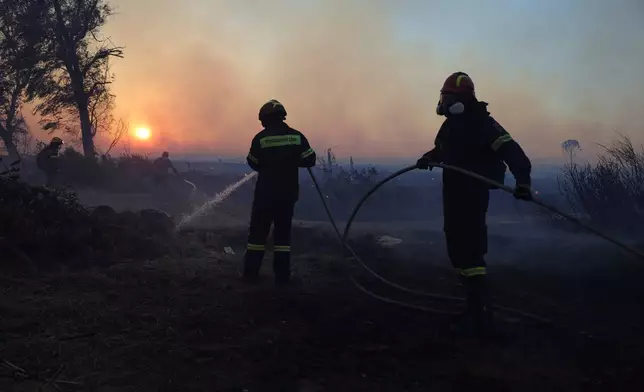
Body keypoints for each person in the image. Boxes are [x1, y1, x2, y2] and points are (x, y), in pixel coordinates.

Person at [416, 72, 533, 333]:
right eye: (442, 97)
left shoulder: (484, 124)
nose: (443, 103)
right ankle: (473, 306)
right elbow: (443, 150)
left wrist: (522, 182)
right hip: (454, 189)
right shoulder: (450, 126)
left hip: (473, 189)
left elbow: (512, 152)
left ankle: (481, 313)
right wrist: (428, 157)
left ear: (461, 99)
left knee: (470, 247)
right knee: (456, 244)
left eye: (447, 97)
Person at [243, 99, 317, 285]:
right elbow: (310, 160)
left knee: (257, 237)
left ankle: (251, 275)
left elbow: (253, 162)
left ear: (265, 119)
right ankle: (282, 278)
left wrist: (271, 164)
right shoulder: (297, 137)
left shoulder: (260, 139)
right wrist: (291, 161)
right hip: (287, 196)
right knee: (282, 238)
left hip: (264, 196)